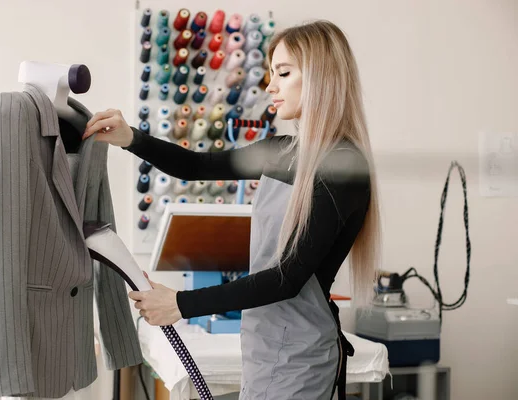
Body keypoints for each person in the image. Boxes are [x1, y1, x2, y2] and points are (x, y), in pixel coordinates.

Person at [83, 19, 381, 400]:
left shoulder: (343, 166)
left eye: (284, 73)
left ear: (323, 77)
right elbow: (197, 168)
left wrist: (180, 304)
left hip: (301, 355)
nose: (270, 86)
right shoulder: (281, 150)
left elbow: (286, 278)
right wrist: (132, 139)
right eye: (271, 72)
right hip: (263, 344)